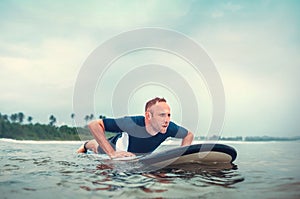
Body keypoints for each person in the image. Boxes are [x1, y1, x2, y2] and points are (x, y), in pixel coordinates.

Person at [77, 97, 194, 159]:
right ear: (148, 116)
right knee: (97, 148)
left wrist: (181, 155)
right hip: (116, 147)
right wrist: (112, 153)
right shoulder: (132, 123)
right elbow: (94, 124)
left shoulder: (169, 127)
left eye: (168, 115)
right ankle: (86, 144)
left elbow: (189, 135)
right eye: (162, 115)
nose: (167, 120)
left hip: (137, 156)